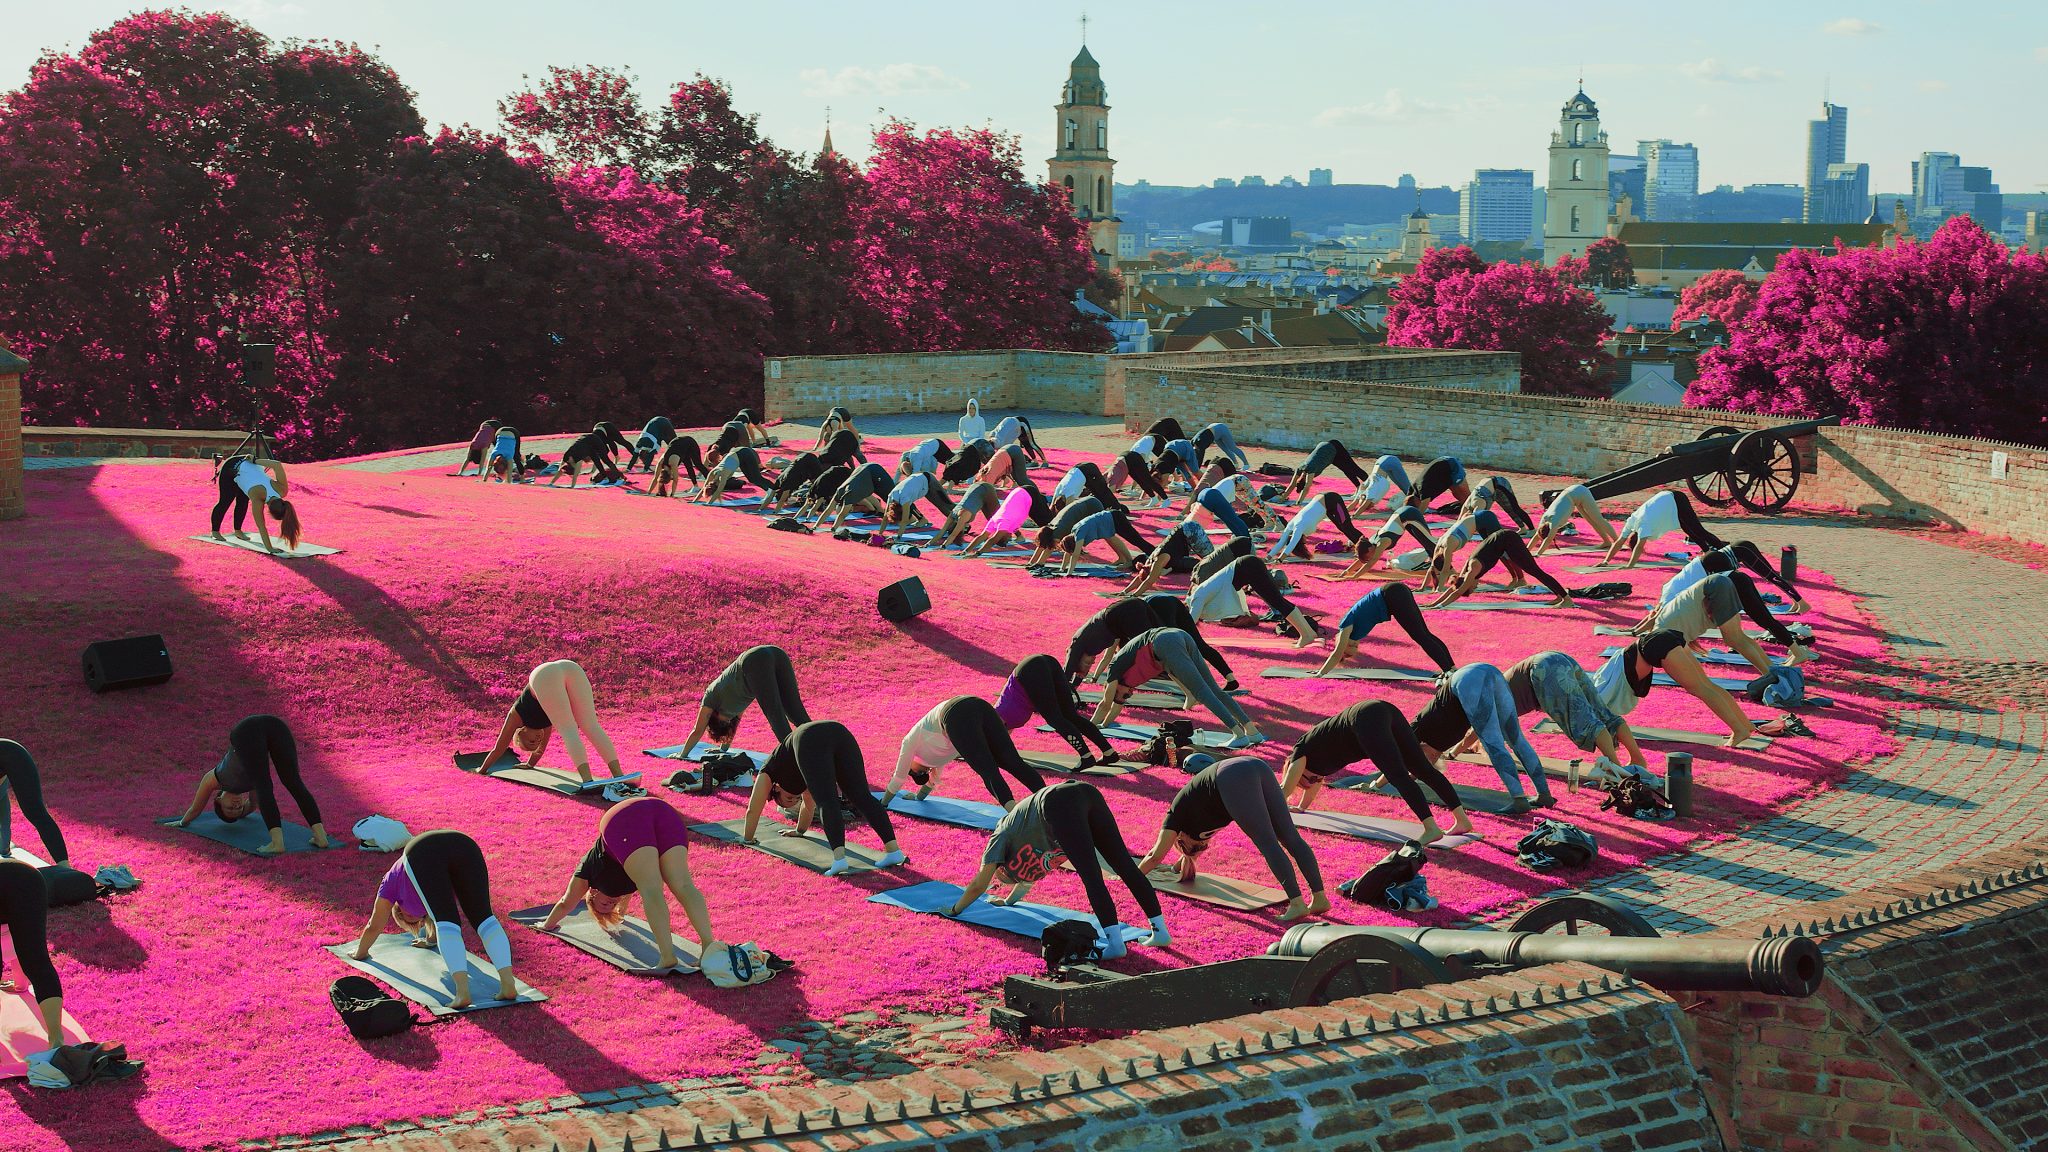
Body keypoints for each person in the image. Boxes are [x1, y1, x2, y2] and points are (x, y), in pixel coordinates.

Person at [944, 780, 1167, 959]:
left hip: (1059, 803)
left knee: (1092, 877)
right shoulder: (1023, 844)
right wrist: (1007, 901)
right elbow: (1026, 878)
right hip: (1085, 792)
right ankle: (1160, 932)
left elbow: (978, 885)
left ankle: (1115, 945)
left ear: (1004, 865)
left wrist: (954, 909)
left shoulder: (999, 838)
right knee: (1126, 866)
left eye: (1005, 876)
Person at [1134, 754, 1327, 921]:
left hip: (1233, 776)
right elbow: (1190, 853)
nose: (1204, 845)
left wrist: (1130, 877)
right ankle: (1319, 898)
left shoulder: (1176, 817)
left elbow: (1154, 856)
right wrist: (1178, 866)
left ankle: (1296, 903)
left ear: (1180, 838)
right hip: (1256, 766)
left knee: (1268, 843)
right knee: (1290, 838)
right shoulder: (1198, 823)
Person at [538, 797, 719, 973]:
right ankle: (709, 948)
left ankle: (670, 955)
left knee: (655, 888)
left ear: (592, 894)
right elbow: (623, 907)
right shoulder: (625, 890)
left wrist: (546, 925)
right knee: (682, 886)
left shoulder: (587, 874)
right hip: (663, 812)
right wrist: (618, 911)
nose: (609, 904)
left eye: (603, 905)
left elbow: (566, 902)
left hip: (622, 819)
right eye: (611, 906)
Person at [351, 830, 516, 1010]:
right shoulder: (428, 897)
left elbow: (374, 925)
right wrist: (429, 941)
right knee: (484, 920)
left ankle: (463, 993)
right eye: (416, 923)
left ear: (398, 907)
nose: (415, 919)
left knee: (451, 922)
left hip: (423, 850)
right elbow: (433, 914)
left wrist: (360, 952)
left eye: (407, 918)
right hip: (464, 845)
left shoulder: (392, 882)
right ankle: (508, 986)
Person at [1278, 702, 1474, 843]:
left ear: (1296, 769)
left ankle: (1431, 828)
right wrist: (1302, 808)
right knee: (1422, 769)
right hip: (1383, 710)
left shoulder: (1300, 751)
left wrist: (1273, 810)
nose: (1314, 781)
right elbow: (1313, 784)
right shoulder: (1315, 766)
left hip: (1367, 718)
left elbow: (1285, 789)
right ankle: (1462, 820)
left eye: (1308, 780)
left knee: (1398, 775)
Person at [742, 721, 906, 878]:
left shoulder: (769, 772)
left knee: (828, 801)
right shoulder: (799, 766)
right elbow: (808, 804)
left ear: (776, 788)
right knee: (860, 796)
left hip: (811, 738)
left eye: (789, 797)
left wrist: (748, 839)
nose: (794, 798)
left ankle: (840, 860)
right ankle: (894, 852)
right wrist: (799, 831)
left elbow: (753, 809)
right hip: (838, 732)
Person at [1453, 651, 1646, 781]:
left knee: (1586, 722)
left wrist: (1453, 753)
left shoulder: (1484, 703)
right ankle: (1637, 759)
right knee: (1603, 713)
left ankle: (1615, 769)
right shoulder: (1493, 691)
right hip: (1555, 658)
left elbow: (1475, 731)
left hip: (1543, 670)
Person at [1593, 629, 1790, 748]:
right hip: (1662, 638)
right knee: (1707, 686)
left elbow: (1603, 708)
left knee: (1702, 690)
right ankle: (1744, 725)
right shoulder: (1602, 677)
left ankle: (1739, 730)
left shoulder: (1595, 691)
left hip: (1656, 645)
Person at [172, 714, 330, 854]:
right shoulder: (251, 790)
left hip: (246, 731)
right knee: (288, 782)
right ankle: (320, 837)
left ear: (218, 800)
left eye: (229, 808)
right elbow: (253, 806)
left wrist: (181, 822)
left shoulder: (215, 779)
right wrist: (243, 813)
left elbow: (195, 808)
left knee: (270, 784)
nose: (235, 805)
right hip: (274, 726)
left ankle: (277, 843)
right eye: (238, 808)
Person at [1411, 664, 1556, 814]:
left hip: (1469, 681)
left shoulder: (1418, 730)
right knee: (1517, 739)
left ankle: (1519, 800)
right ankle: (1544, 795)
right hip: (1490, 672)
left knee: (1494, 744)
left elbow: (1409, 756)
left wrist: (1398, 778)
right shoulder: (1435, 738)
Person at [1096, 627, 1264, 747]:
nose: (1130, 694)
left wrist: (1089, 726)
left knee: (1202, 692)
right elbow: (1117, 706)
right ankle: (1252, 732)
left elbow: (1106, 703)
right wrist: (1103, 727)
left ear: (1115, 687)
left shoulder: (1114, 671)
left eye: (1125, 695)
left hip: (1165, 642)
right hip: (1176, 636)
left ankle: (1238, 733)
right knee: (1214, 690)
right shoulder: (1126, 681)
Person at [884, 697, 1048, 810]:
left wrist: (883, 803)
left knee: (990, 769)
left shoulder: (912, 743)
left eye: (912, 772)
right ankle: (1049, 801)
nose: (914, 770)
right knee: (1010, 761)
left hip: (957, 712)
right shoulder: (935, 760)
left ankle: (1018, 814)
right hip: (978, 705)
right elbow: (932, 781)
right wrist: (918, 798)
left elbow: (899, 777)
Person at [478, 660, 624, 786]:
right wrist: (530, 764)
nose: (536, 741)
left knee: (569, 730)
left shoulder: (517, 716)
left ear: (521, 732)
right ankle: (619, 775)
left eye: (530, 742)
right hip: (570, 667)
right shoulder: (545, 726)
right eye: (535, 743)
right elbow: (540, 749)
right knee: (590, 725)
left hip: (542, 676)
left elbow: (499, 747)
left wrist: (482, 769)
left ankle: (588, 780)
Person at [1643, 571, 1814, 674]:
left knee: (1734, 639)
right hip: (1718, 584)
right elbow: (1689, 659)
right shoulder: (1666, 628)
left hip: (1715, 588)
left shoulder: (1665, 636)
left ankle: (1770, 674)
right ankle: (1772, 671)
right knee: (1738, 637)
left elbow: (1689, 664)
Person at [1065, 595, 1236, 690]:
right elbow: (1083, 667)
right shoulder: (1095, 644)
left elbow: (1069, 666)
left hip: (1135, 610)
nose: (1091, 662)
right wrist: (1078, 681)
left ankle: (1197, 685)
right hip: (1139, 607)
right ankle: (1218, 679)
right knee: (1176, 642)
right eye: (1089, 664)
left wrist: (1066, 686)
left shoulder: (1078, 642)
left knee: (1161, 649)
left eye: (1087, 663)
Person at [676, 645, 810, 758]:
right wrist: (723, 750)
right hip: (775, 653)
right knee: (791, 711)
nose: (728, 721)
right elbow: (732, 729)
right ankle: (814, 748)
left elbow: (697, 730)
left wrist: (682, 755)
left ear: (714, 717)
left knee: (782, 711)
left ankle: (793, 756)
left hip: (755, 660)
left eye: (723, 722)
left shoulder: (711, 698)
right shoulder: (735, 711)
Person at [996, 654, 1121, 770]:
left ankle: (1086, 757)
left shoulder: (1000, 714)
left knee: (1055, 719)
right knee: (1070, 716)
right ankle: (1109, 753)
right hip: (1046, 662)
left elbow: (996, 734)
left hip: (1030, 671)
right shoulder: (1009, 718)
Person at [1313, 584, 1457, 675]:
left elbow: (1336, 654)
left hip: (1392, 595)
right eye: (1354, 647)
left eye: (1348, 645)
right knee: (1424, 635)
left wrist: (1320, 673)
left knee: (1420, 636)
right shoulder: (1356, 633)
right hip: (1395, 593)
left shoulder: (1345, 626)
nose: (1354, 644)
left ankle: (1448, 670)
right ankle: (1450, 668)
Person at [1187, 553, 1321, 648]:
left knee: (1278, 602)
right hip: (1248, 565)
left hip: (1249, 566)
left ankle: (1306, 634)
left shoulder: (1196, 598)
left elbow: (1190, 624)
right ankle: (1308, 632)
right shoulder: (1198, 595)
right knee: (1278, 602)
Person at [1424, 528, 1573, 609]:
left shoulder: (1472, 570)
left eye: (1473, 588)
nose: (1476, 587)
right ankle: (1560, 596)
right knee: (1534, 570)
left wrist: (1441, 606)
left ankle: (1566, 599)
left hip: (1508, 539)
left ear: (1468, 584)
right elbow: (1455, 588)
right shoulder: (1463, 575)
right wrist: (1433, 603)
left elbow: (1459, 591)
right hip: (1503, 540)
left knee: (1534, 570)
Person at [0, 859, 62, 1053]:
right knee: (37, 960)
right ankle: (56, 1038)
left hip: (19, 878)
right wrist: (20, 985)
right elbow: (20, 946)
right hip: (24, 875)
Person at [1659, 542, 1806, 612]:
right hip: (1739, 549)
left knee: (1771, 576)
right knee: (1771, 575)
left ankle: (1802, 603)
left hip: (1741, 551)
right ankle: (1796, 601)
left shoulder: (1675, 592)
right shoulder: (1674, 588)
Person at [1599, 490, 1728, 567]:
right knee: (1688, 529)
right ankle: (1706, 550)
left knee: (1698, 530)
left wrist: (1629, 566)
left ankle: (1727, 553)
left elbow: (1639, 546)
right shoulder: (1631, 522)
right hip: (1667, 498)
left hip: (1677, 499)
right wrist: (1605, 561)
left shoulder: (1643, 525)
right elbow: (1619, 542)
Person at [209, 454, 303, 555]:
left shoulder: (282, 490)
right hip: (232, 466)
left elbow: (277, 465)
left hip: (247, 467)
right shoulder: (258, 499)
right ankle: (215, 531)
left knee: (243, 501)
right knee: (225, 501)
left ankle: (238, 531)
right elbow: (261, 527)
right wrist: (270, 548)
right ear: (269, 510)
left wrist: (255, 460)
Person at [0, 740, 69, 867]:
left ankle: (66, 867)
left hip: (14, 755)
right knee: (3, 844)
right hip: (10, 758)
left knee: (35, 811)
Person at [1332, 506, 1437, 580]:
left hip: (1410, 514)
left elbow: (1370, 563)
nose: (1368, 558)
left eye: (1368, 556)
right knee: (1429, 545)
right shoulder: (1371, 542)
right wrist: (1347, 571)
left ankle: (1448, 550)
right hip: (1401, 514)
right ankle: (1435, 565)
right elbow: (1362, 560)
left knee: (1431, 544)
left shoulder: (1381, 542)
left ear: (1369, 549)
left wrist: (1354, 577)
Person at [1266, 491, 1363, 562]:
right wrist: (1267, 558)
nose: (1306, 541)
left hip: (1332, 499)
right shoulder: (1290, 526)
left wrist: (1280, 560)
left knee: (1347, 526)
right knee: (1342, 527)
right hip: (1324, 503)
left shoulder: (1298, 527)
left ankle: (1365, 545)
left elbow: (1291, 544)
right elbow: (1281, 543)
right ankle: (1362, 546)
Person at [960, 483, 1049, 557]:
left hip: (1029, 493)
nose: (1010, 537)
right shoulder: (994, 520)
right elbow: (981, 537)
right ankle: (1047, 501)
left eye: (1007, 539)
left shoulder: (1003, 524)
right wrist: (965, 551)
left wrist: (977, 554)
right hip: (1020, 492)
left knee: (1046, 524)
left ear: (1002, 536)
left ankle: (1051, 502)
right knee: (1043, 521)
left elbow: (992, 540)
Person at [1057, 506, 1150, 574]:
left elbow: (1075, 554)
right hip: (1111, 517)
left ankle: (1155, 556)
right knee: (1127, 540)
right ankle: (1126, 560)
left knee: (1137, 541)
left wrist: (1069, 573)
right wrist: (1062, 568)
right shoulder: (1073, 531)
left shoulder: (1079, 534)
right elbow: (1069, 552)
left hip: (1116, 519)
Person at [1530, 483, 1617, 554]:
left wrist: (1538, 553)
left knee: (1598, 519)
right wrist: (1527, 550)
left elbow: (1548, 539)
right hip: (1573, 495)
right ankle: (1606, 542)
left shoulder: (1554, 520)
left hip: (1580, 492)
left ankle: (1617, 541)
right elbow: (1536, 536)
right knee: (1591, 521)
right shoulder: (1545, 518)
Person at [817, 461, 894, 530]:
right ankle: (882, 511)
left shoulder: (848, 495)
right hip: (863, 469)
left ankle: (902, 517)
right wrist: (815, 526)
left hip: (874, 470)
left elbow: (842, 515)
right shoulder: (840, 491)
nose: (850, 511)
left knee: (893, 500)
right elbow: (828, 510)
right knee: (889, 500)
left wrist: (833, 529)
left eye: (850, 510)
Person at [692, 445, 777, 504]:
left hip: (744, 453)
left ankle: (775, 491)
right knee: (752, 479)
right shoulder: (712, 473)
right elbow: (703, 488)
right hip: (738, 456)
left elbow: (718, 492)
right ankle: (769, 492)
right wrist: (694, 501)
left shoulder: (723, 475)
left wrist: (709, 503)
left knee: (757, 477)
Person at [550, 430, 627, 487]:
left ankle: (620, 476)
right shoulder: (566, 456)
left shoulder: (578, 459)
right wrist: (551, 483)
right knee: (596, 460)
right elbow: (560, 470)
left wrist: (572, 487)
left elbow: (575, 475)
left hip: (594, 440)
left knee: (605, 459)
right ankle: (605, 478)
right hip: (586, 444)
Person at [1458, 476, 1535, 533]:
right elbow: (1459, 521)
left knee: (1514, 508)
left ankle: (1532, 530)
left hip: (1500, 485)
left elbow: (1478, 523)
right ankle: (1523, 529)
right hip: (1490, 489)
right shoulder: (1466, 505)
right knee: (1508, 510)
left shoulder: (1478, 506)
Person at [883, 470, 955, 529]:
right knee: (941, 506)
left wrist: (898, 537)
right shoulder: (891, 497)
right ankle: (957, 522)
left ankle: (961, 520)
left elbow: (904, 521)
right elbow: (885, 517)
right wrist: (880, 534)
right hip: (922, 484)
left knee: (948, 505)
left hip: (929, 480)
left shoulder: (903, 498)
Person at [1346, 454, 1413, 514]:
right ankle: (1414, 503)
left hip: (1390, 461)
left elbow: (1363, 506)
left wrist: (1355, 515)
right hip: (1381, 461)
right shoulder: (1363, 489)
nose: (1372, 506)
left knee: (1408, 490)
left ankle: (1420, 506)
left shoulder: (1371, 491)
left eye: (1370, 506)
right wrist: (1343, 512)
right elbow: (1354, 503)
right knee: (1405, 488)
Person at [1104, 450, 1171, 507]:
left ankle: (1166, 499)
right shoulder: (1106, 475)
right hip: (1127, 462)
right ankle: (1153, 498)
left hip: (1132, 458)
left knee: (1148, 480)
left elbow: (1111, 491)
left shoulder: (1114, 475)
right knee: (1140, 481)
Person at [1405, 456, 1471, 512]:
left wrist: (1416, 517)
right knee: (1458, 495)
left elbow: (1422, 509)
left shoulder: (1423, 490)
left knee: (1466, 496)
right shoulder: (1411, 490)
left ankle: (1476, 510)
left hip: (1451, 465)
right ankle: (1462, 507)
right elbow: (1406, 504)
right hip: (1443, 467)